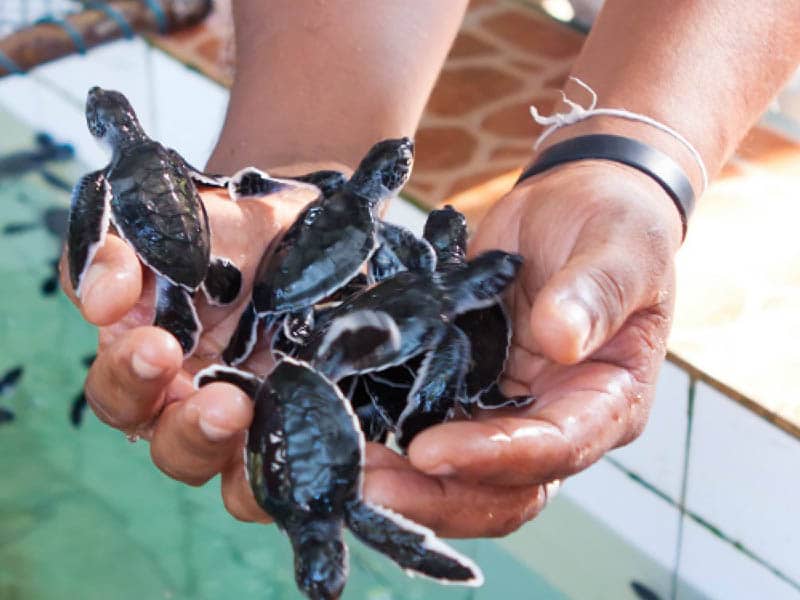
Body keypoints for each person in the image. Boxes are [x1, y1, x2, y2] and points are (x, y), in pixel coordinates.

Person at [59, 1, 800, 538]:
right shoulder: (410, 266)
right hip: (353, 284)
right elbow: (401, 265)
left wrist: (634, 164)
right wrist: (297, 164)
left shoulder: (417, 273)